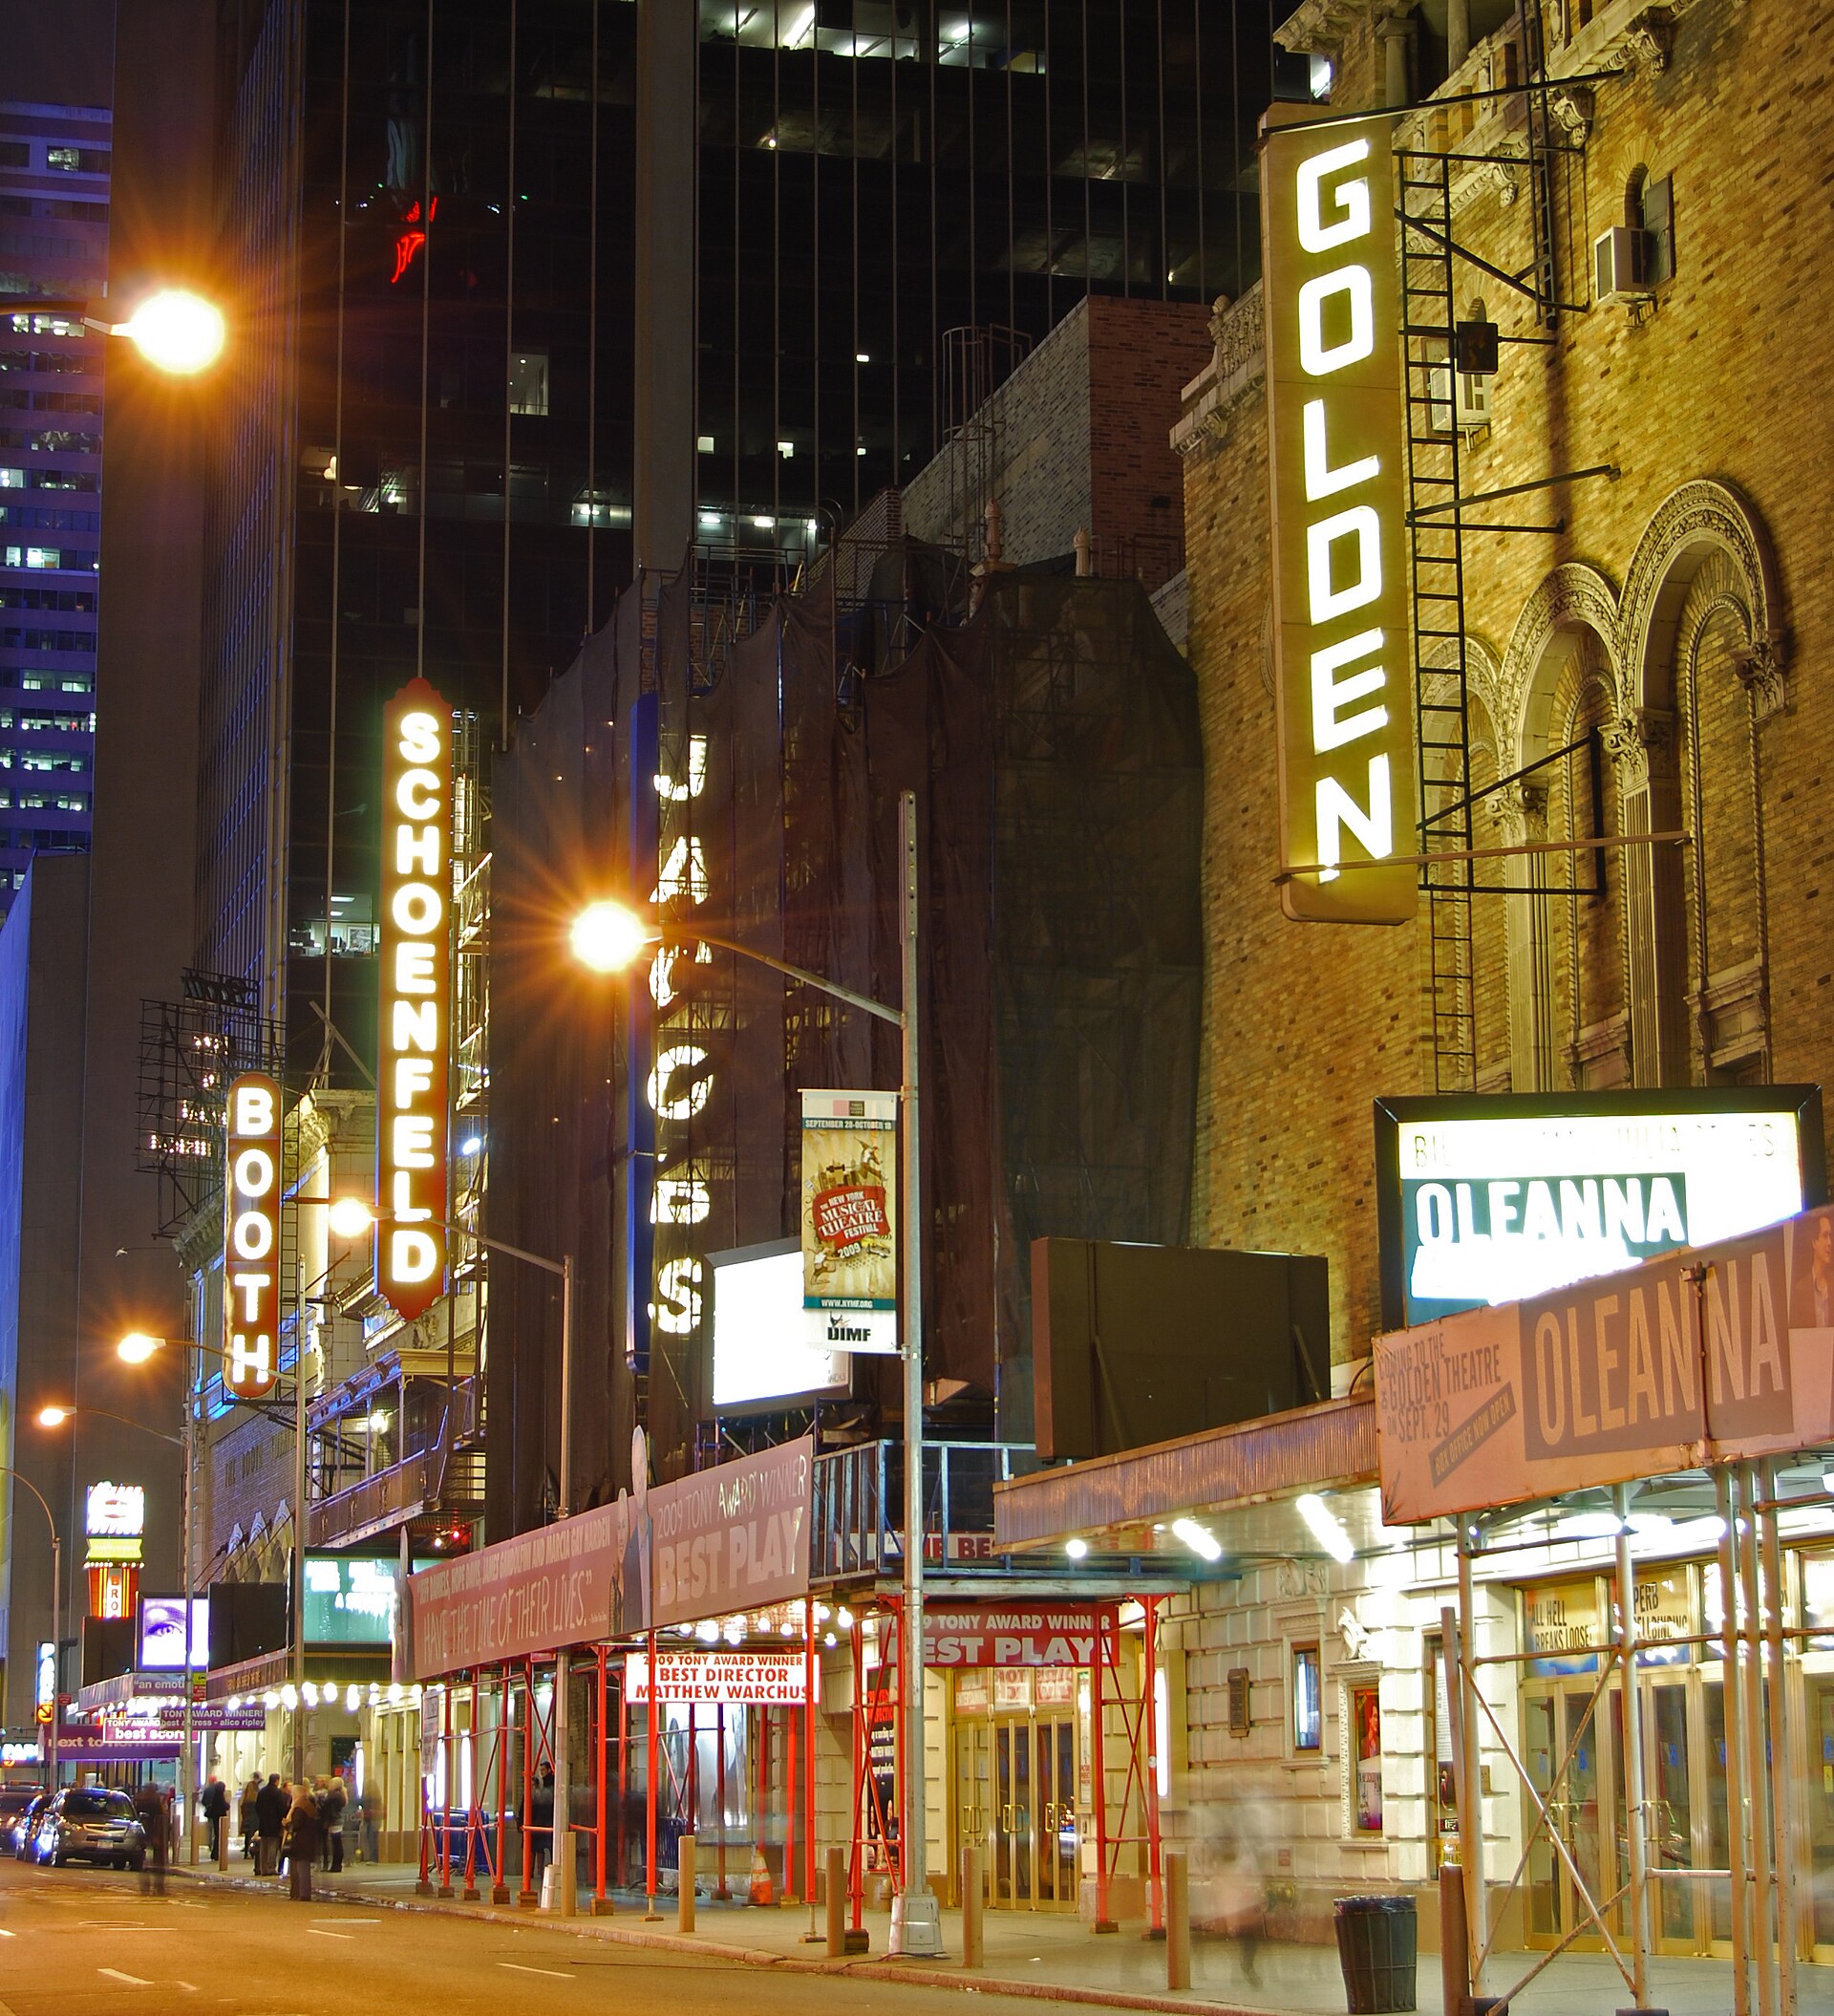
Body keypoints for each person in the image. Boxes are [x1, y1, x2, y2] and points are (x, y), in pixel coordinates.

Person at [283, 1780, 320, 1899]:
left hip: (300, 1841)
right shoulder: (308, 1805)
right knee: (302, 1868)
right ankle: (299, 1893)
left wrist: (287, 1824)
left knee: (301, 1869)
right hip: (308, 1841)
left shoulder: (299, 1807)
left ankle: (302, 1894)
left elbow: (297, 1825)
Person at [131, 1781, 167, 1898]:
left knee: (144, 1860)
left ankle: (145, 1887)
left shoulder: (139, 1798)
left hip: (142, 1832)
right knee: (157, 1862)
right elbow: (161, 1816)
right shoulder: (156, 1800)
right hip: (155, 1832)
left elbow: (135, 1815)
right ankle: (158, 1887)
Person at [254, 1771, 286, 1875]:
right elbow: (281, 1808)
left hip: (263, 1823)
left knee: (264, 1846)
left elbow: (257, 1807)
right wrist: (282, 1819)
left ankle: (263, 1868)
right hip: (274, 1823)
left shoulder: (262, 1792)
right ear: (276, 1781)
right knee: (273, 1846)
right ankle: (271, 1868)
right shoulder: (277, 1792)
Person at [529, 1766, 554, 1882]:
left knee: (546, 1847)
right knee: (538, 1848)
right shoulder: (544, 1786)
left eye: (543, 1770)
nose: (541, 1773)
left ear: (549, 1770)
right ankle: (539, 1871)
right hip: (542, 1821)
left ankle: (544, 1871)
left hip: (547, 1821)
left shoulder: (548, 1786)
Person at [318, 1773, 347, 1873]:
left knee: (336, 1843)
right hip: (337, 1820)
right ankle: (336, 1864)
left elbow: (326, 1807)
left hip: (333, 1820)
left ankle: (336, 1865)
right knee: (337, 1843)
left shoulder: (333, 1795)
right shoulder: (340, 1794)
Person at [201, 1774, 230, 1861]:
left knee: (211, 1831)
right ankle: (216, 1852)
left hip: (212, 1814)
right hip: (220, 1817)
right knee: (219, 1835)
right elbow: (224, 1806)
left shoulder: (208, 1790)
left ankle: (210, 1845)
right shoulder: (219, 1795)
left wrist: (207, 1806)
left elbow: (203, 1801)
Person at [358, 1780, 380, 1865]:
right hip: (375, 1819)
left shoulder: (368, 1797)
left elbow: (361, 1803)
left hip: (370, 1819)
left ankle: (373, 1858)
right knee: (374, 1839)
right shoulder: (377, 1796)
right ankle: (374, 1858)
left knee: (371, 1839)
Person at [240, 1776, 261, 1859]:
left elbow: (242, 1811)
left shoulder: (245, 1800)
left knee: (247, 1837)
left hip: (247, 1820)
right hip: (255, 1820)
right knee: (254, 1837)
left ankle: (246, 1852)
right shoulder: (256, 1800)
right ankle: (253, 1852)